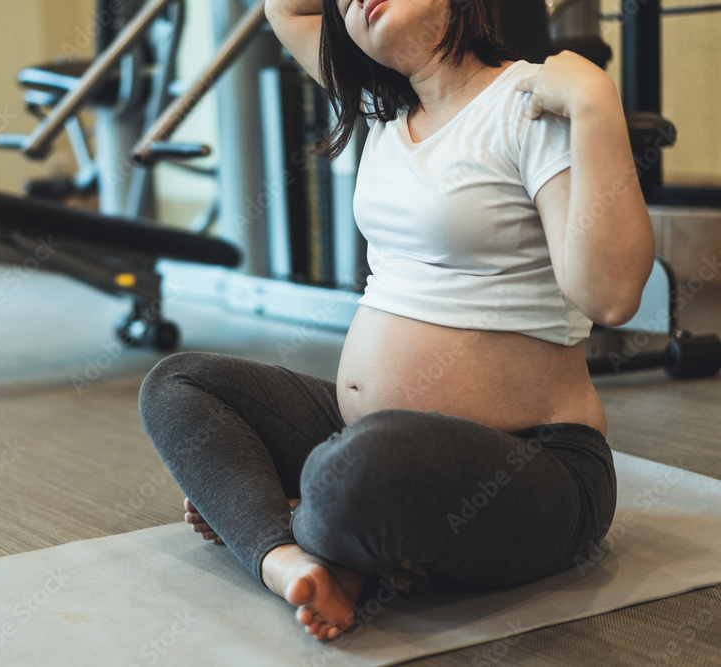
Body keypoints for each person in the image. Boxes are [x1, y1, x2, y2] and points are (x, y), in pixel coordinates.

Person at [138, 0, 655, 642]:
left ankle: (285, 515)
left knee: (354, 471)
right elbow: (285, 8)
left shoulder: (528, 104)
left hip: (529, 466)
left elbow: (611, 297)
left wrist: (594, 100)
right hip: (366, 439)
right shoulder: (386, 115)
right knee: (180, 384)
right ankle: (287, 555)